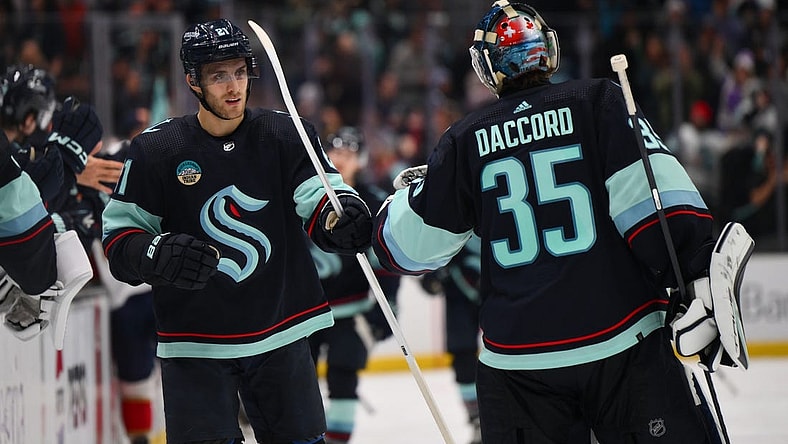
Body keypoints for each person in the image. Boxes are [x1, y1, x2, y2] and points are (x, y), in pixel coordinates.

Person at [372, 2, 731, 443]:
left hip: (520, 366)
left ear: (488, 68)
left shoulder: (464, 140)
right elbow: (660, 203)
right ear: (548, 49)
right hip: (624, 341)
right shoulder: (597, 101)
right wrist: (694, 273)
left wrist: (395, 207)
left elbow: (405, 249)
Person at [101, 18, 373, 444]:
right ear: (193, 81)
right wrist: (157, 254)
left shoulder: (286, 134)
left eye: (240, 72)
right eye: (218, 75)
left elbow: (322, 196)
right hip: (194, 344)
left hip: (280, 331)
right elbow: (119, 240)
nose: (233, 87)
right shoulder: (157, 150)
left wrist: (342, 217)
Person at [306, 127, 401, 444]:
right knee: (300, 381)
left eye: (348, 154)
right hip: (308, 311)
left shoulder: (372, 202)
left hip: (353, 311)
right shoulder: (305, 198)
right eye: (335, 152)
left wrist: (384, 313)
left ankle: (336, 440)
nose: (340, 159)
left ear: (360, 160)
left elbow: (386, 265)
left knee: (343, 376)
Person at [419, 235, 482, 444]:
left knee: (512, 350)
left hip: (501, 283)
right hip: (459, 292)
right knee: (462, 357)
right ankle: (477, 421)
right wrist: (432, 274)